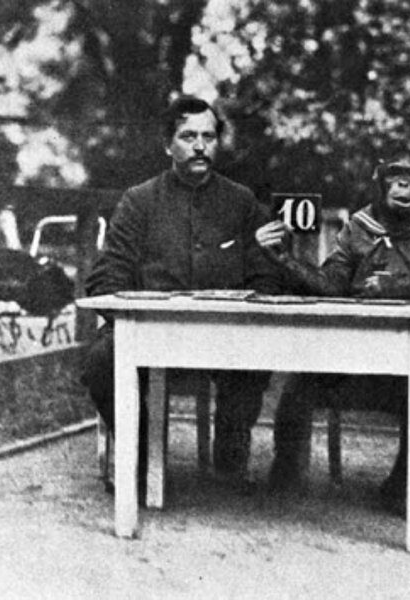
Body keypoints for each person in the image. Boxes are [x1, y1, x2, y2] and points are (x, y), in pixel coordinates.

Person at [255, 148, 410, 516]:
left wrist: (400, 286)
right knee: (298, 388)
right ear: (380, 180)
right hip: (351, 358)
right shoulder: (359, 227)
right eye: (396, 176)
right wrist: (285, 260)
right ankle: (285, 476)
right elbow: (331, 285)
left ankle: (400, 486)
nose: (403, 186)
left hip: (409, 362)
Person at [82, 95, 283, 490]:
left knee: (258, 350)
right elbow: (106, 275)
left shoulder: (241, 202)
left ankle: (230, 456)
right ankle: (139, 457)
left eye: (209, 137)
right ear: (167, 145)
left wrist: (254, 304)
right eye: (188, 137)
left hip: (225, 331)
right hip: (153, 329)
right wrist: (134, 316)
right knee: (101, 361)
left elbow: (265, 273)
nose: (200, 146)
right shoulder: (139, 201)